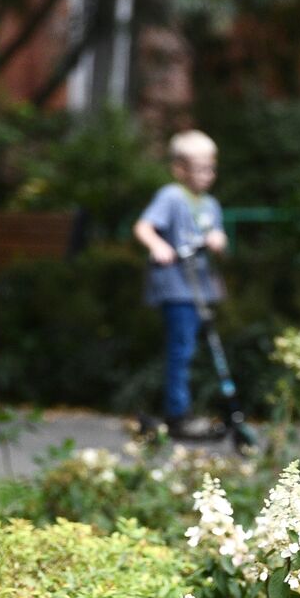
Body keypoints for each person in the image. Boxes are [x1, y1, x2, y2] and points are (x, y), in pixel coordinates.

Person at [133, 129, 230, 440]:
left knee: (192, 351)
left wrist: (219, 241)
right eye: (199, 168)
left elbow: (220, 243)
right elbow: (144, 227)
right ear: (180, 169)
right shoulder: (172, 197)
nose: (206, 175)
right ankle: (177, 414)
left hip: (200, 288)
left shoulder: (211, 205)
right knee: (181, 349)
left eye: (210, 168)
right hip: (176, 287)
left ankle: (182, 407)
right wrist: (158, 246)